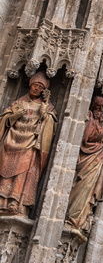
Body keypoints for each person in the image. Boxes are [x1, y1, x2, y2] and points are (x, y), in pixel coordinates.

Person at [0, 71, 57, 217]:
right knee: (5, 170)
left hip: (29, 145)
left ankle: (15, 202)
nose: (37, 89)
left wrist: (45, 115)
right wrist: (14, 116)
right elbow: (5, 119)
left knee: (24, 171)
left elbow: (49, 124)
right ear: (30, 85)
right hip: (10, 143)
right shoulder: (19, 103)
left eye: (41, 87)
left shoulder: (47, 107)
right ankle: (1, 200)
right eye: (36, 85)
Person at [65, 96, 103, 238]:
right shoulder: (88, 119)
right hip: (86, 160)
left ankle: (79, 220)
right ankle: (71, 218)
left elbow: (100, 139)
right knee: (80, 186)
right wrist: (100, 130)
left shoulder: (100, 123)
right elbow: (87, 137)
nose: (101, 110)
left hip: (95, 162)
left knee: (87, 190)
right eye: (99, 106)